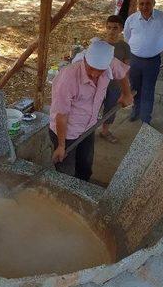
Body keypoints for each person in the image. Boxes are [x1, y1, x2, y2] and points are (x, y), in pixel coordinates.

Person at [50, 39, 133, 181]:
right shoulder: (68, 77)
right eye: (90, 68)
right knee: (66, 175)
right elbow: (61, 116)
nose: (94, 74)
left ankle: (82, 191)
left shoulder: (110, 62)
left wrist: (127, 94)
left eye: (100, 71)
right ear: (85, 60)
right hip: (66, 132)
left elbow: (122, 73)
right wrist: (61, 145)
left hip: (89, 127)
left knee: (85, 168)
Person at [123, 0, 163, 124]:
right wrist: (138, 48)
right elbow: (127, 36)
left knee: (148, 90)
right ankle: (136, 110)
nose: (145, 6)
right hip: (135, 60)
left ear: (154, 4)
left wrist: (156, 46)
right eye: (142, 4)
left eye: (148, 3)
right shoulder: (132, 19)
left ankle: (146, 118)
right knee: (135, 87)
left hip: (153, 61)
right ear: (138, 4)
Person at [100, 15, 131, 144]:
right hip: (100, 84)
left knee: (111, 109)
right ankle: (86, 131)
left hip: (115, 85)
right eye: (109, 28)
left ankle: (105, 131)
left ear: (121, 29)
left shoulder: (124, 47)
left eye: (115, 28)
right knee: (93, 107)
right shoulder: (99, 45)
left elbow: (126, 68)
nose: (111, 31)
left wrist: (125, 89)